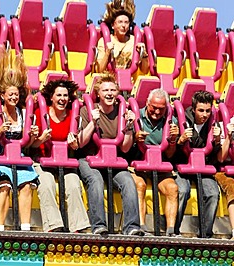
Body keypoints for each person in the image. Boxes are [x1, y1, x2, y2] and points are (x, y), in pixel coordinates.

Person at [77, 72, 143, 236]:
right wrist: (93, 122)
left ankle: (131, 227)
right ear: (98, 93)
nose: (109, 94)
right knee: (96, 180)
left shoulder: (122, 112)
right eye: (105, 90)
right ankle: (98, 225)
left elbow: (126, 148)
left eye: (113, 90)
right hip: (89, 159)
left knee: (128, 181)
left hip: (113, 160)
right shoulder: (87, 110)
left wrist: (129, 128)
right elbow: (81, 142)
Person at [0, 49, 39, 231]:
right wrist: (0, 130)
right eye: (11, 94)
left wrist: (32, 136)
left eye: (16, 94)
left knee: (25, 186)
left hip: (18, 155)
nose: (14, 97)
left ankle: (25, 227)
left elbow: (28, 144)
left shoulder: (24, 114)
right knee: (5, 185)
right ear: (3, 96)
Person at [30, 79, 90, 233]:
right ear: (52, 97)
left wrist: (74, 146)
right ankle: (53, 226)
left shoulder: (73, 116)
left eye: (65, 95)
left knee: (73, 183)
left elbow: (77, 145)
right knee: (46, 183)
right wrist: (41, 139)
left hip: (66, 161)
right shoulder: (40, 113)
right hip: (43, 161)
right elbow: (31, 145)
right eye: (59, 95)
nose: (62, 99)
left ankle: (78, 227)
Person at [130, 88, 181, 237]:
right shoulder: (136, 116)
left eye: (161, 109)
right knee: (140, 186)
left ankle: (171, 230)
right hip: (138, 162)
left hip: (159, 164)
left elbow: (170, 154)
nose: (157, 112)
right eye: (154, 108)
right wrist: (134, 137)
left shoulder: (171, 121)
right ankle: (141, 227)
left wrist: (173, 140)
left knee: (172, 189)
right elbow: (125, 148)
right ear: (147, 103)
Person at [174, 90, 221, 238]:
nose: (204, 114)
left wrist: (218, 141)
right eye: (201, 110)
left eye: (208, 111)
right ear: (193, 109)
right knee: (182, 191)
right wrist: (180, 141)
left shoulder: (213, 123)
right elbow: (170, 151)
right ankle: (174, 231)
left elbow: (217, 156)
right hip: (182, 166)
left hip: (203, 167)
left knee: (213, 193)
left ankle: (205, 234)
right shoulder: (181, 119)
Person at [96, 0, 148, 74]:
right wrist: (107, 53)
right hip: (108, 82)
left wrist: (143, 54)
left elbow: (145, 71)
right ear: (113, 25)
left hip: (128, 82)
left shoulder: (134, 41)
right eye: (120, 22)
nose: (123, 25)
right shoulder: (104, 41)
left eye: (126, 22)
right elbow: (100, 70)